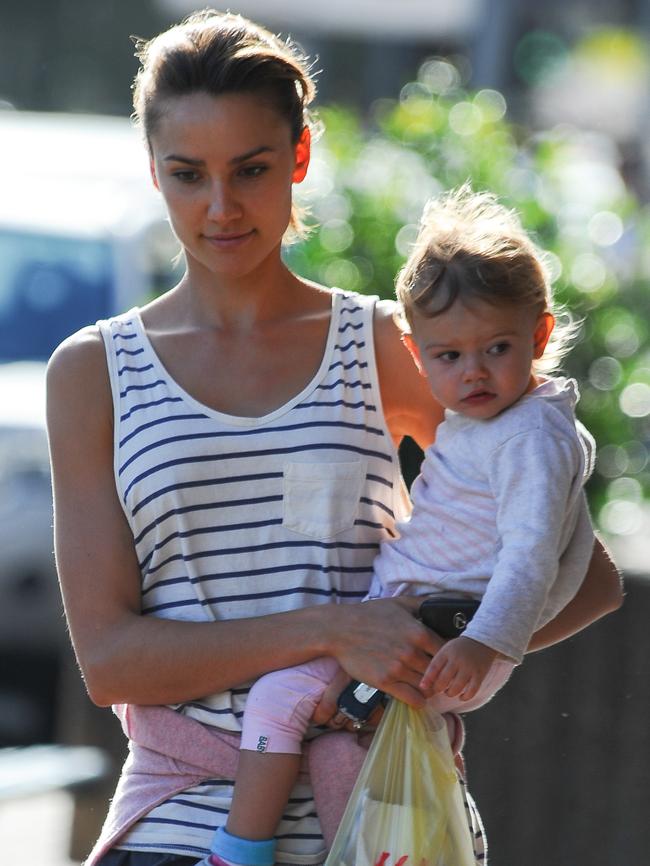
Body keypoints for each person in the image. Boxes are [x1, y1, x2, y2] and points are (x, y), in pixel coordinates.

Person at [45, 10, 622, 866]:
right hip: (175, 832)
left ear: (300, 159)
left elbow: (589, 581)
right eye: (187, 173)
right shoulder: (95, 371)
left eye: (251, 168)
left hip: (379, 828)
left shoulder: (391, 347)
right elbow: (110, 663)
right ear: (155, 174)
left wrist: (433, 668)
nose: (221, 205)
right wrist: (338, 631)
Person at [201, 186, 603, 866]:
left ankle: (237, 853)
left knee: (276, 699)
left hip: (442, 632)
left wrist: (485, 642)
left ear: (538, 335)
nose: (473, 372)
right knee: (339, 742)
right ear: (418, 356)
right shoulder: (503, 422)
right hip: (431, 628)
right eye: (448, 357)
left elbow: (533, 555)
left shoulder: (530, 435)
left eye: (496, 348)